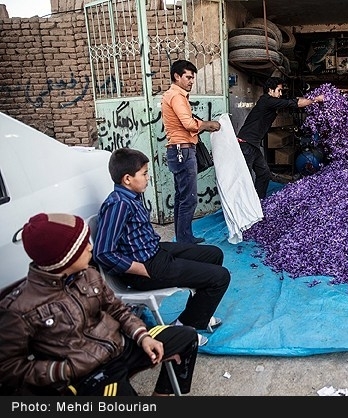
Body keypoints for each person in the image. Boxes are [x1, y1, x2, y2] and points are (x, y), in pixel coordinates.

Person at [0, 213, 198, 396]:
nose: (90, 247)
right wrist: (64, 369)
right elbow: (8, 368)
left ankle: (161, 396)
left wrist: (143, 336)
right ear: (64, 258)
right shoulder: (18, 309)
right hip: (92, 374)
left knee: (187, 337)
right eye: (83, 244)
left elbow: (117, 308)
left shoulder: (88, 274)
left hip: (122, 346)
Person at [93, 148, 230, 345]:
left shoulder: (132, 196)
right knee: (220, 277)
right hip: (146, 267)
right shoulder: (119, 204)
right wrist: (140, 269)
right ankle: (183, 326)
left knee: (214, 254)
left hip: (155, 251)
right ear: (127, 179)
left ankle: (199, 312)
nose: (148, 178)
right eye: (144, 174)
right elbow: (103, 252)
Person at [162, 59, 221, 244]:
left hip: (178, 150)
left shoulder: (171, 95)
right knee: (188, 198)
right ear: (176, 76)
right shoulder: (177, 97)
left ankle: (183, 237)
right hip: (183, 151)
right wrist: (208, 124)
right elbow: (188, 124)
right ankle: (185, 240)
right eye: (187, 77)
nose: (191, 81)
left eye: (192, 78)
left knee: (182, 197)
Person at [236, 77, 325, 199]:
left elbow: (292, 100)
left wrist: (307, 100)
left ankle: (258, 201)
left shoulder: (270, 102)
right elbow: (295, 103)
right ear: (271, 90)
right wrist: (316, 99)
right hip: (246, 144)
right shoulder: (267, 101)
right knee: (244, 177)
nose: (281, 93)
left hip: (253, 144)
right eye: (279, 90)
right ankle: (241, 206)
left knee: (264, 173)